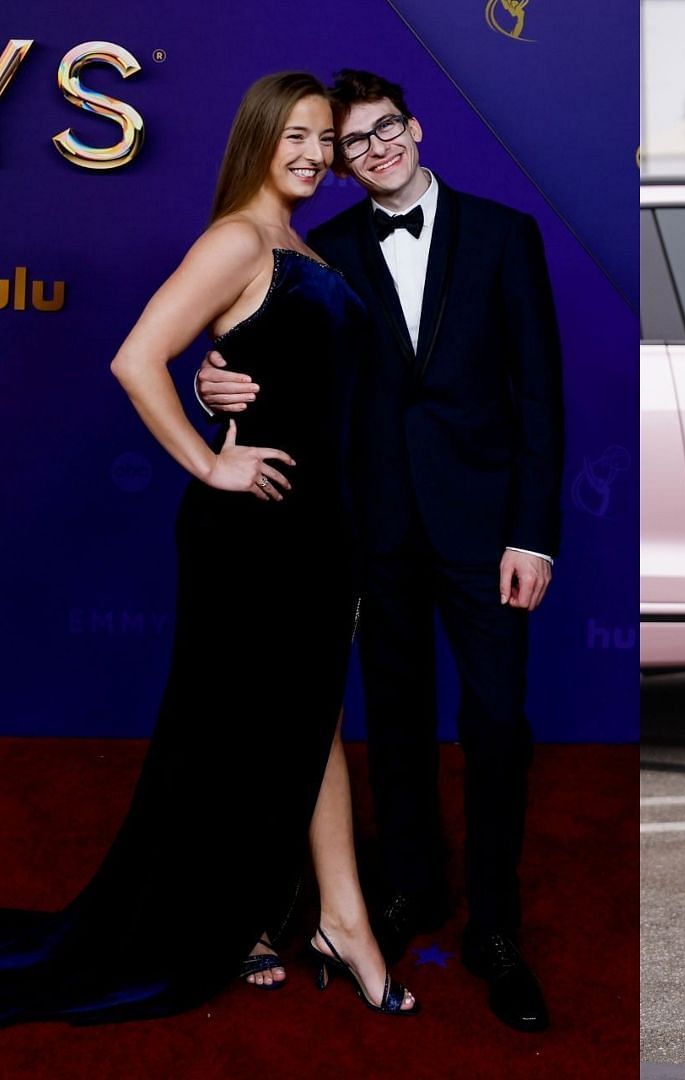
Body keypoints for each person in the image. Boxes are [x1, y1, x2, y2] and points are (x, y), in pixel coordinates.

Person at [0, 71, 415, 1024]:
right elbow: (137, 355)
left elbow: (280, 372)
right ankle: (325, 921)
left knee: (307, 719)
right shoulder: (237, 237)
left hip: (316, 527)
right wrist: (206, 460)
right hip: (255, 530)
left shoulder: (296, 243)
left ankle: (327, 919)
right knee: (247, 725)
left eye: (327, 141)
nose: (314, 154)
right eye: (297, 137)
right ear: (261, 139)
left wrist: (219, 386)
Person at [196, 68, 564, 1033]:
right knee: (393, 722)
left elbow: (540, 399)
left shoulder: (505, 234)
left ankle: (495, 929)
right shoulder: (325, 249)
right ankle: (406, 892)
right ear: (342, 162)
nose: (372, 150)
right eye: (351, 143)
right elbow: (269, 347)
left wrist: (533, 533)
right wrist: (211, 379)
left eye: (384, 130)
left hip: (490, 535)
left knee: (494, 725)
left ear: (417, 126)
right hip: (372, 528)